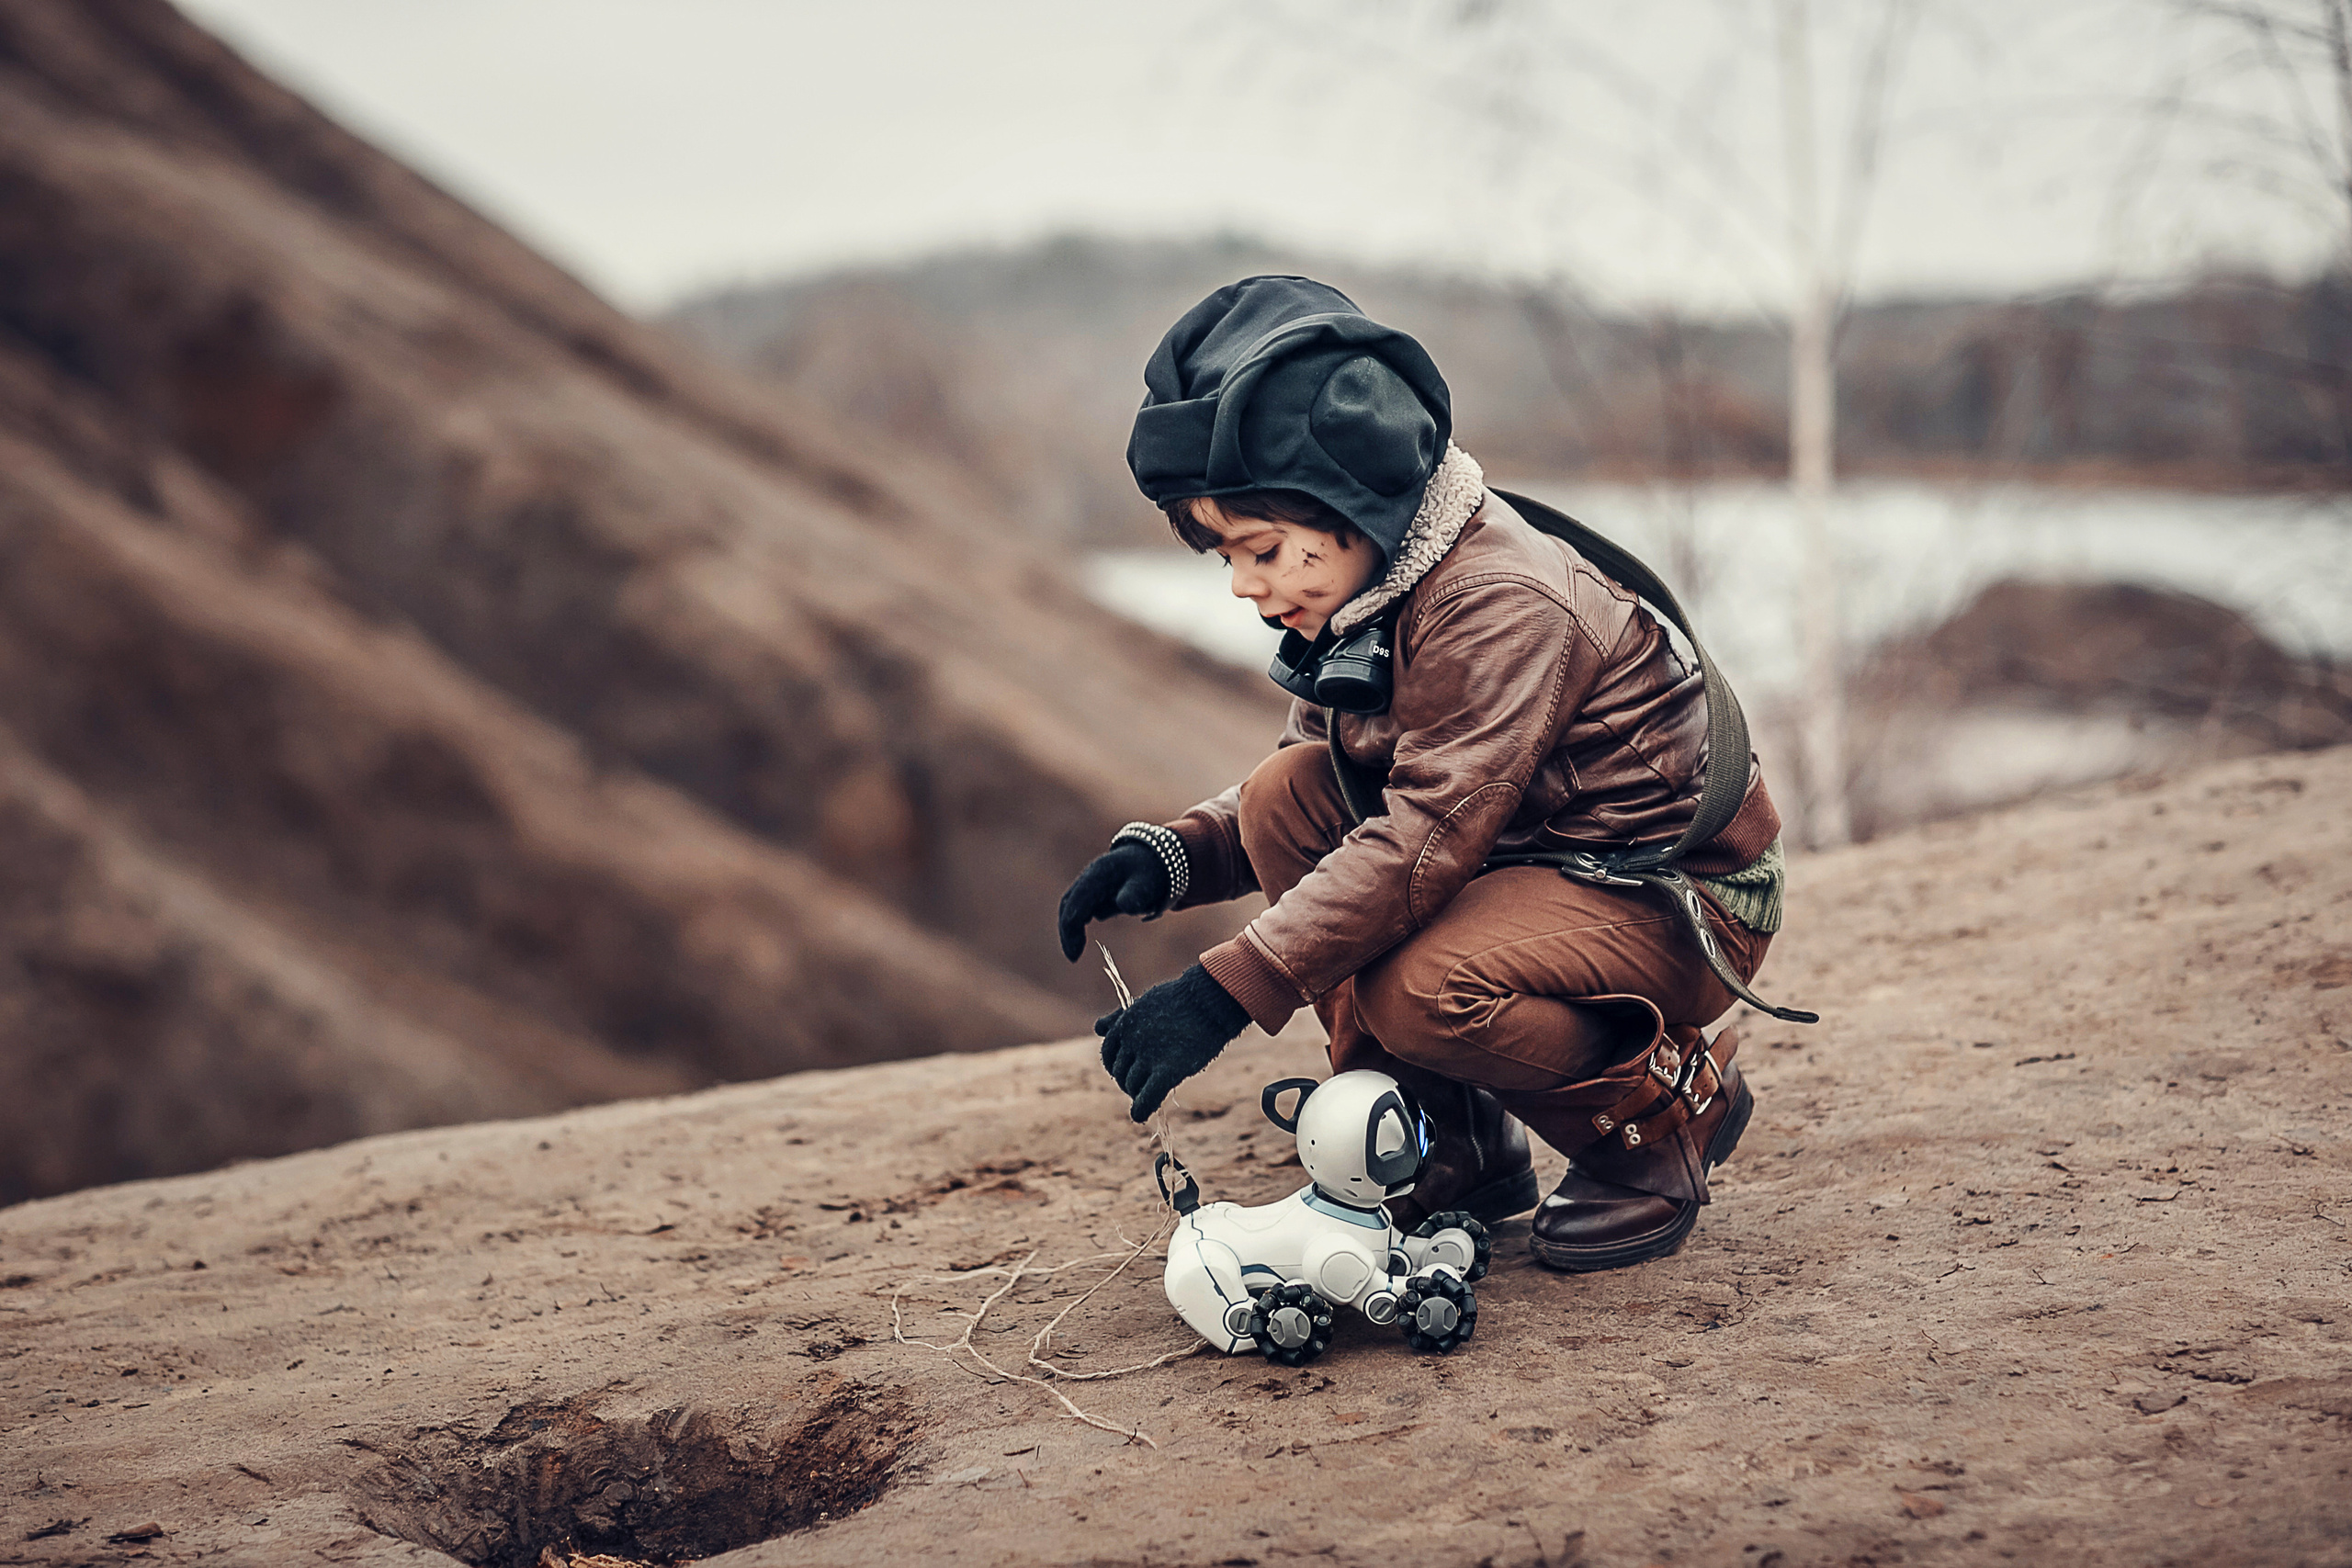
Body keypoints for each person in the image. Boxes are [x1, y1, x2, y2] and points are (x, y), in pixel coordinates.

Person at [1057, 276, 1790, 1271]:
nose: (1241, 585)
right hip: (1530, 865)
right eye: (1222, 555)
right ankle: (1442, 1147)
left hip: (1669, 897)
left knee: (1422, 990)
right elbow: (1323, 786)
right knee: (1287, 797)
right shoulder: (1366, 592)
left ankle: (1659, 1121)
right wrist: (1181, 855)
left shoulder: (1496, 601)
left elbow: (1421, 840)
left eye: (1262, 549)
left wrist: (1223, 993)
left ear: (1354, 505)